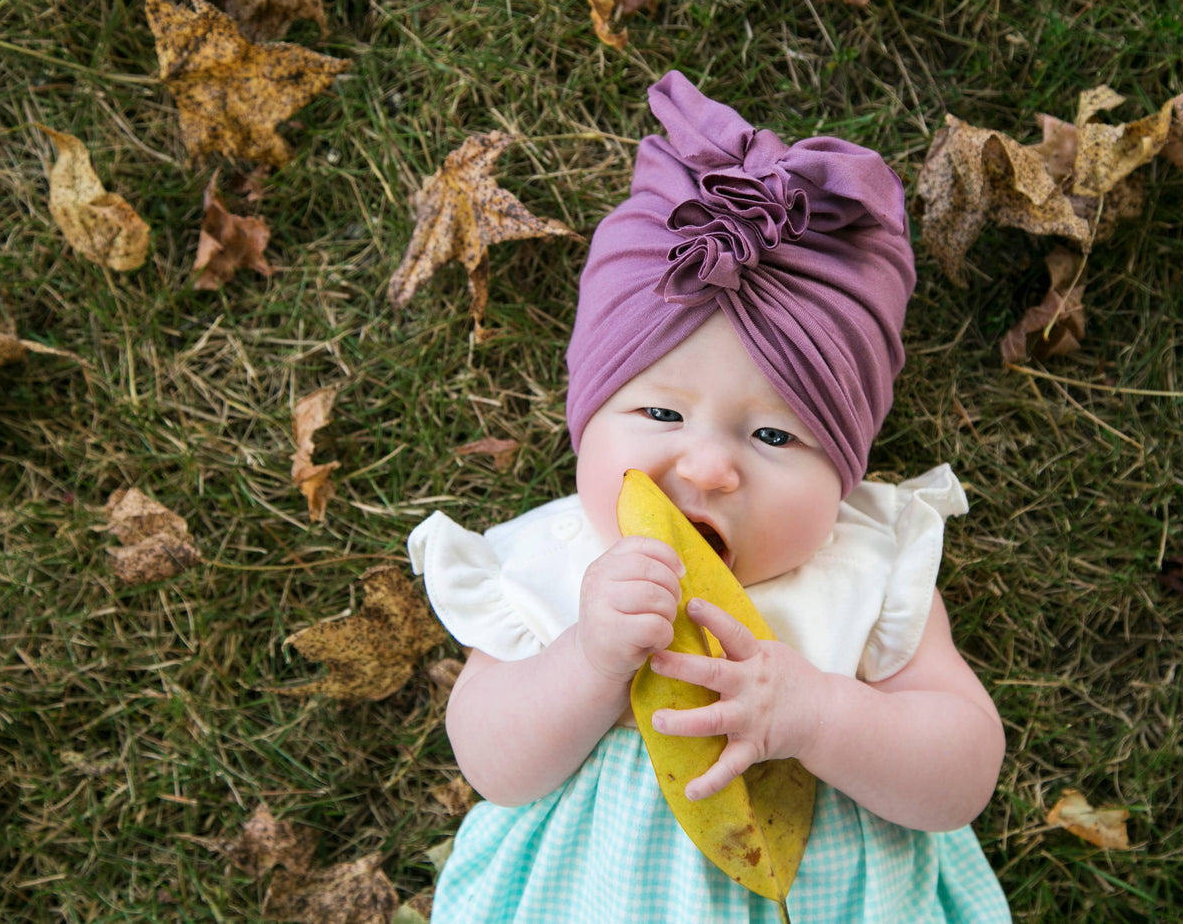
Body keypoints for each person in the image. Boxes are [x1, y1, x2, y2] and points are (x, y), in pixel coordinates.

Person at [408, 71, 1010, 922]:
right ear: (588, 420)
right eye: (658, 412)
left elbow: (962, 777)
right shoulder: (549, 567)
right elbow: (492, 764)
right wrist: (585, 660)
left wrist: (823, 716)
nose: (709, 468)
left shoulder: (866, 566)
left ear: (842, 468)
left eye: (773, 436)